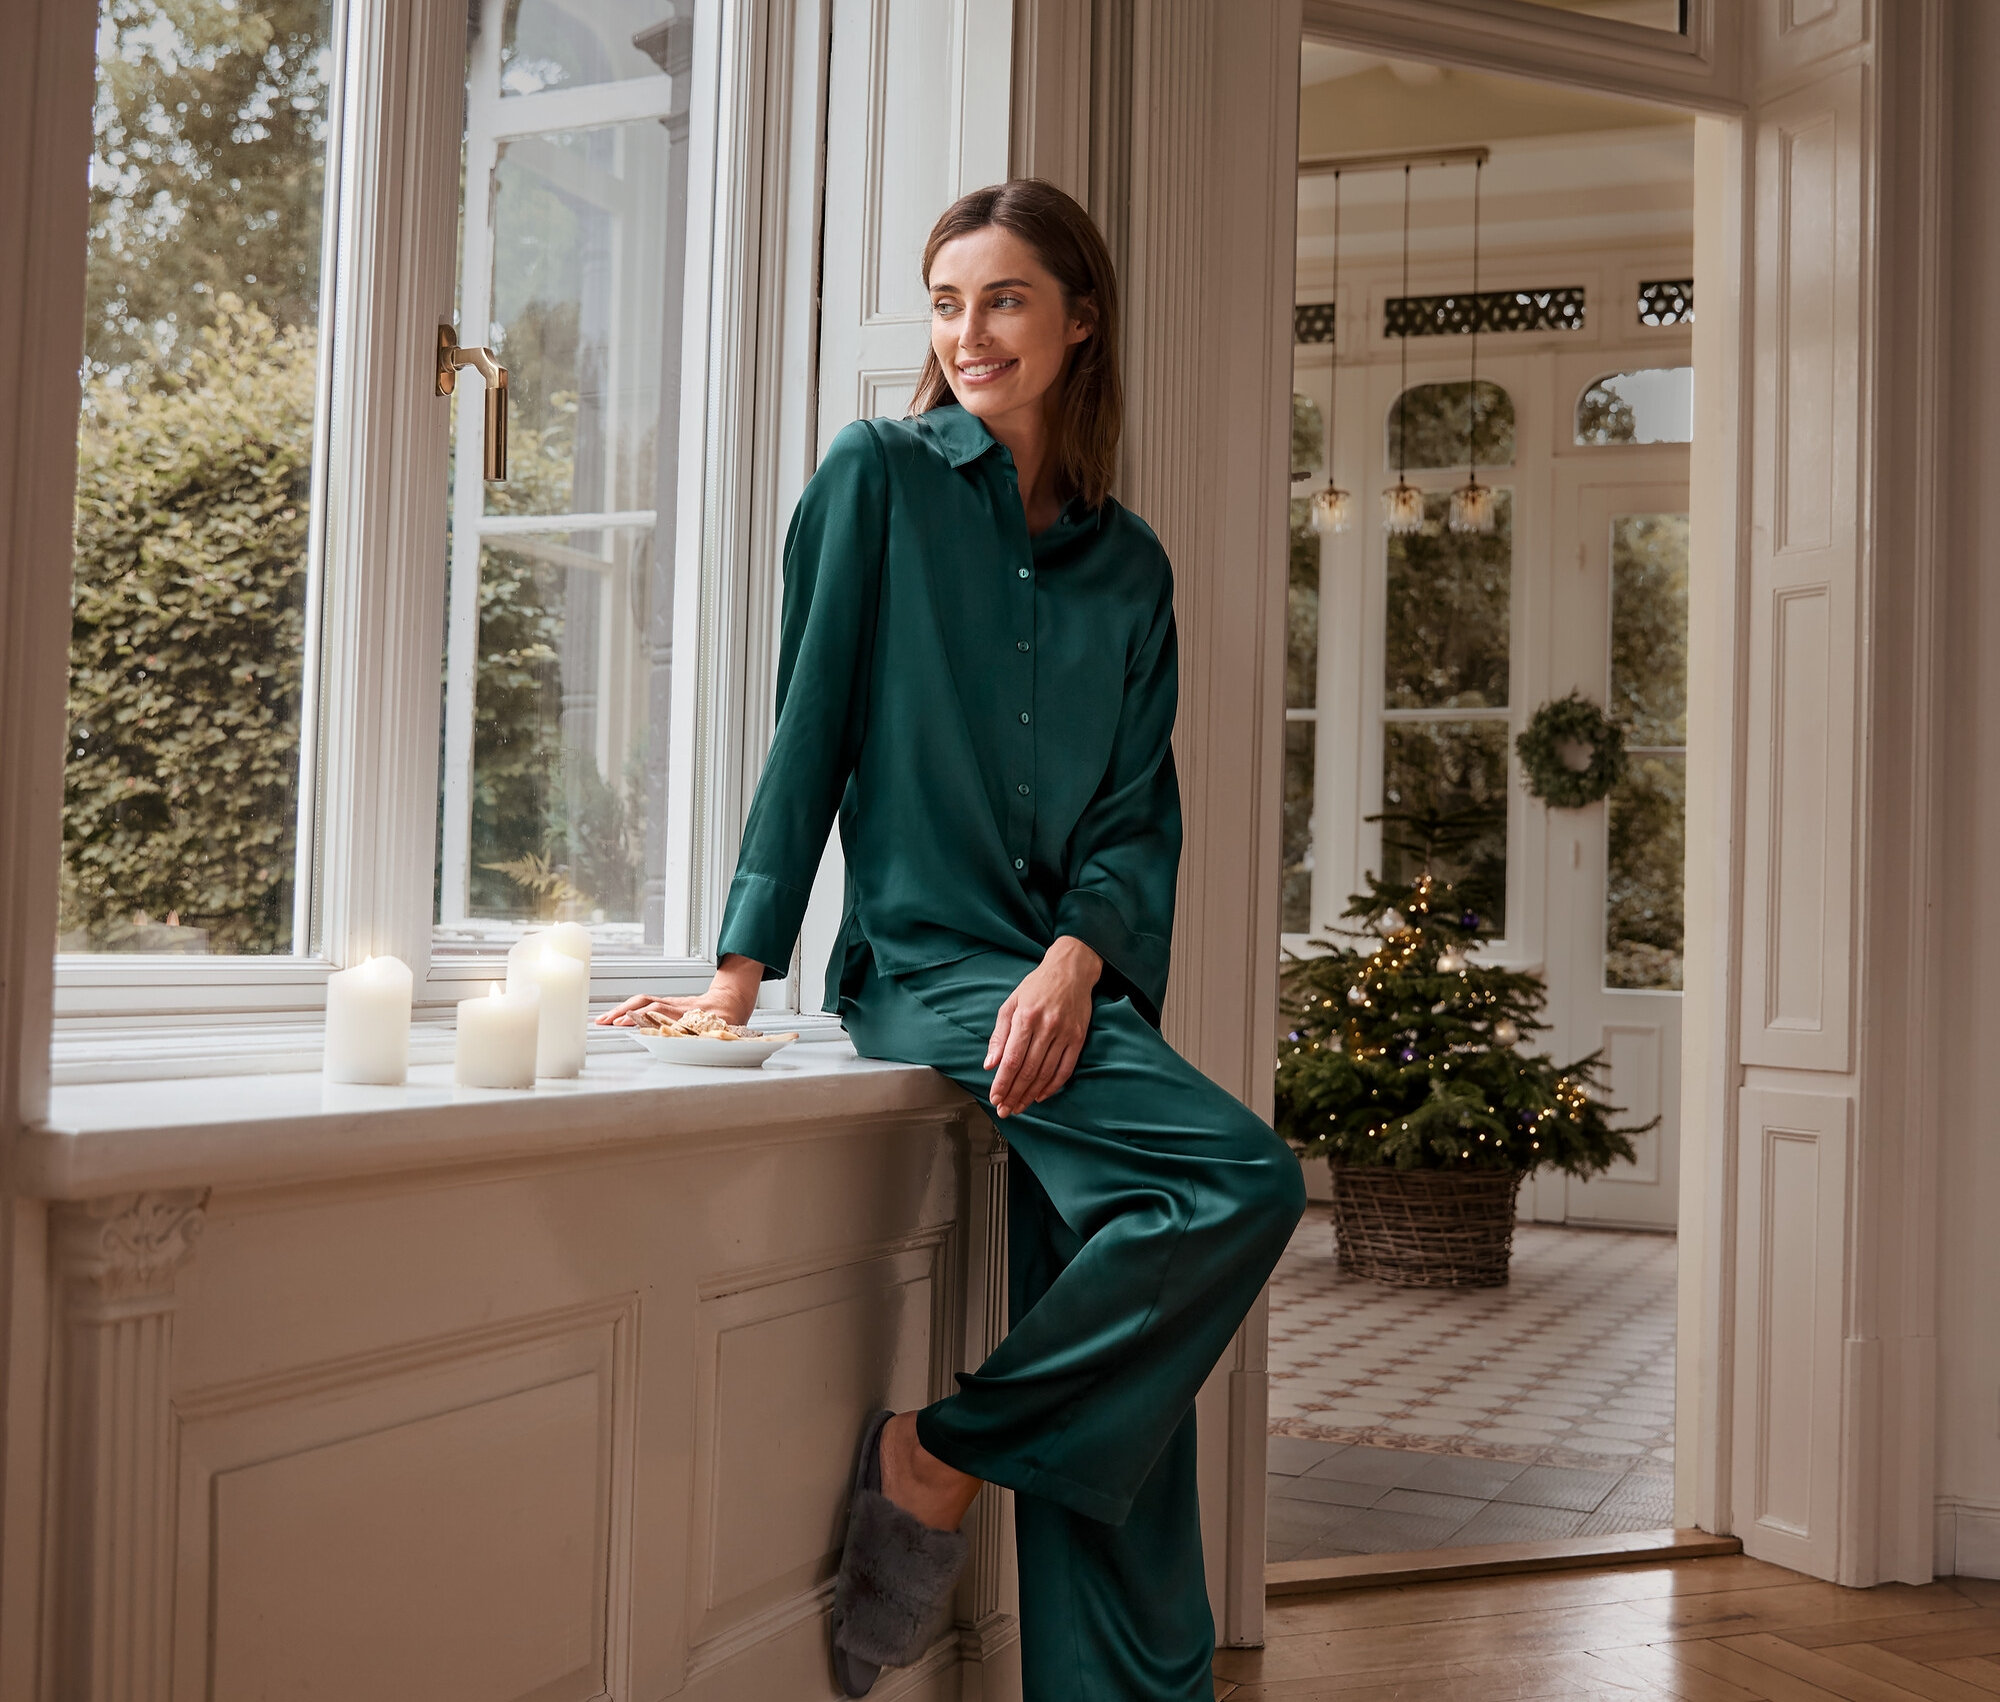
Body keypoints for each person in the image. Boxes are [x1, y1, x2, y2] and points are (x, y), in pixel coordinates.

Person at [598, 178, 1305, 1702]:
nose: (967, 332)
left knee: (1129, 1333)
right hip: (927, 967)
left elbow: (1134, 814)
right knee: (1240, 1176)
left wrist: (1077, 961)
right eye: (945, 300)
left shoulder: (1134, 566)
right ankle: (935, 1459)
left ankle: (969, 1476)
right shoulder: (879, 477)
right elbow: (811, 726)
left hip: (1063, 982)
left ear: (1080, 317)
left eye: (1003, 298)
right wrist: (741, 966)